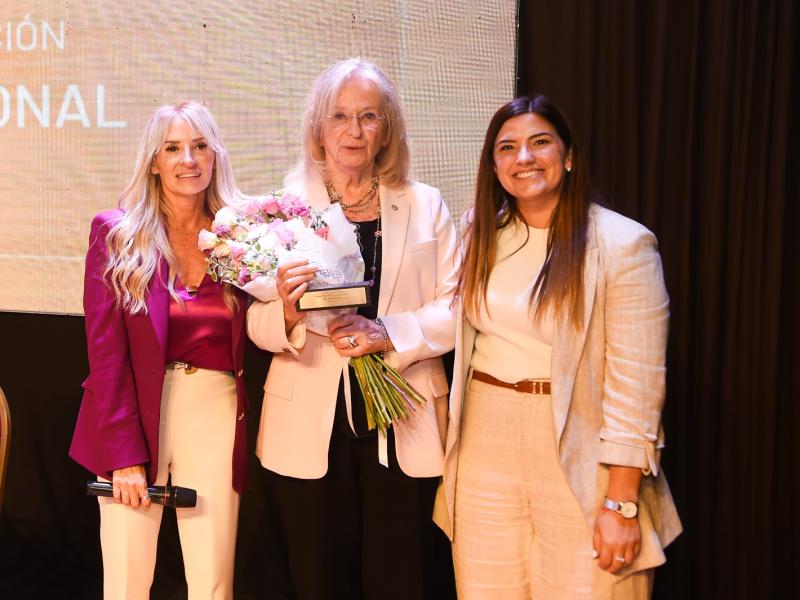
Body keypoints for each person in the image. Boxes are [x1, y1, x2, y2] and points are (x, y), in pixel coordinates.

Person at [433, 95, 682, 599]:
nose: (524, 158)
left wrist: (622, 504)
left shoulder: (623, 245)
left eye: (539, 143)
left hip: (582, 448)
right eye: (507, 148)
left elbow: (637, 385)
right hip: (485, 442)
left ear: (567, 156)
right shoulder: (479, 232)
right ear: (494, 164)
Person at [247, 58, 458, 599]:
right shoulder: (284, 210)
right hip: (309, 418)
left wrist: (386, 332)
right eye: (340, 116)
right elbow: (256, 319)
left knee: (400, 575)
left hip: (403, 413)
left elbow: (455, 309)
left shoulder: (424, 204)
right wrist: (289, 315)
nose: (354, 131)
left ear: (387, 128)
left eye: (369, 116)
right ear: (318, 126)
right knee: (318, 577)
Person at [69, 101, 251, 600]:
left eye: (199, 146)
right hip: (133, 412)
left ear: (215, 156)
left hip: (216, 409)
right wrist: (125, 455)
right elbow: (105, 355)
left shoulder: (244, 235)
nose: (187, 159)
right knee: (126, 583)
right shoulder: (116, 232)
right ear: (154, 161)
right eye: (172, 148)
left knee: (212, 582)